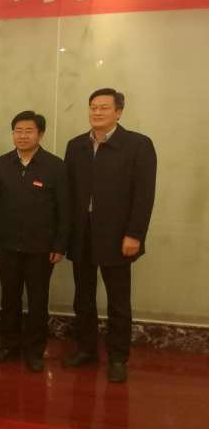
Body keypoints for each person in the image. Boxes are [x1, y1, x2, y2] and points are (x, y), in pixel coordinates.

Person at [63, 88, 156, 383]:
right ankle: (86, 349)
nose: (97, 112)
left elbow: (144, 195)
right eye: (93, 107)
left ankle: (117, 358)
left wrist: (135, 234)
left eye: (104, 107)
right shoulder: (76, 145)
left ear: (118, 112)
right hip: (82, 234)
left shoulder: (138, 145)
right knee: (83, 297)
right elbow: (68, 193)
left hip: (118, 236)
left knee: (118, 300)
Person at [0, 111, 69, 371]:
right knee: (9, 298)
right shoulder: (1, 164)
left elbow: (64, 210)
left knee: (37, 301)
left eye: (28, 131)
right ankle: (8, 345)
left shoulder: (55, 166)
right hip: (7, 245)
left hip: (41, 249)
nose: (22, 136)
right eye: (18, 131)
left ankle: (34, 351)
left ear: (40, 134)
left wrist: (59, 245)